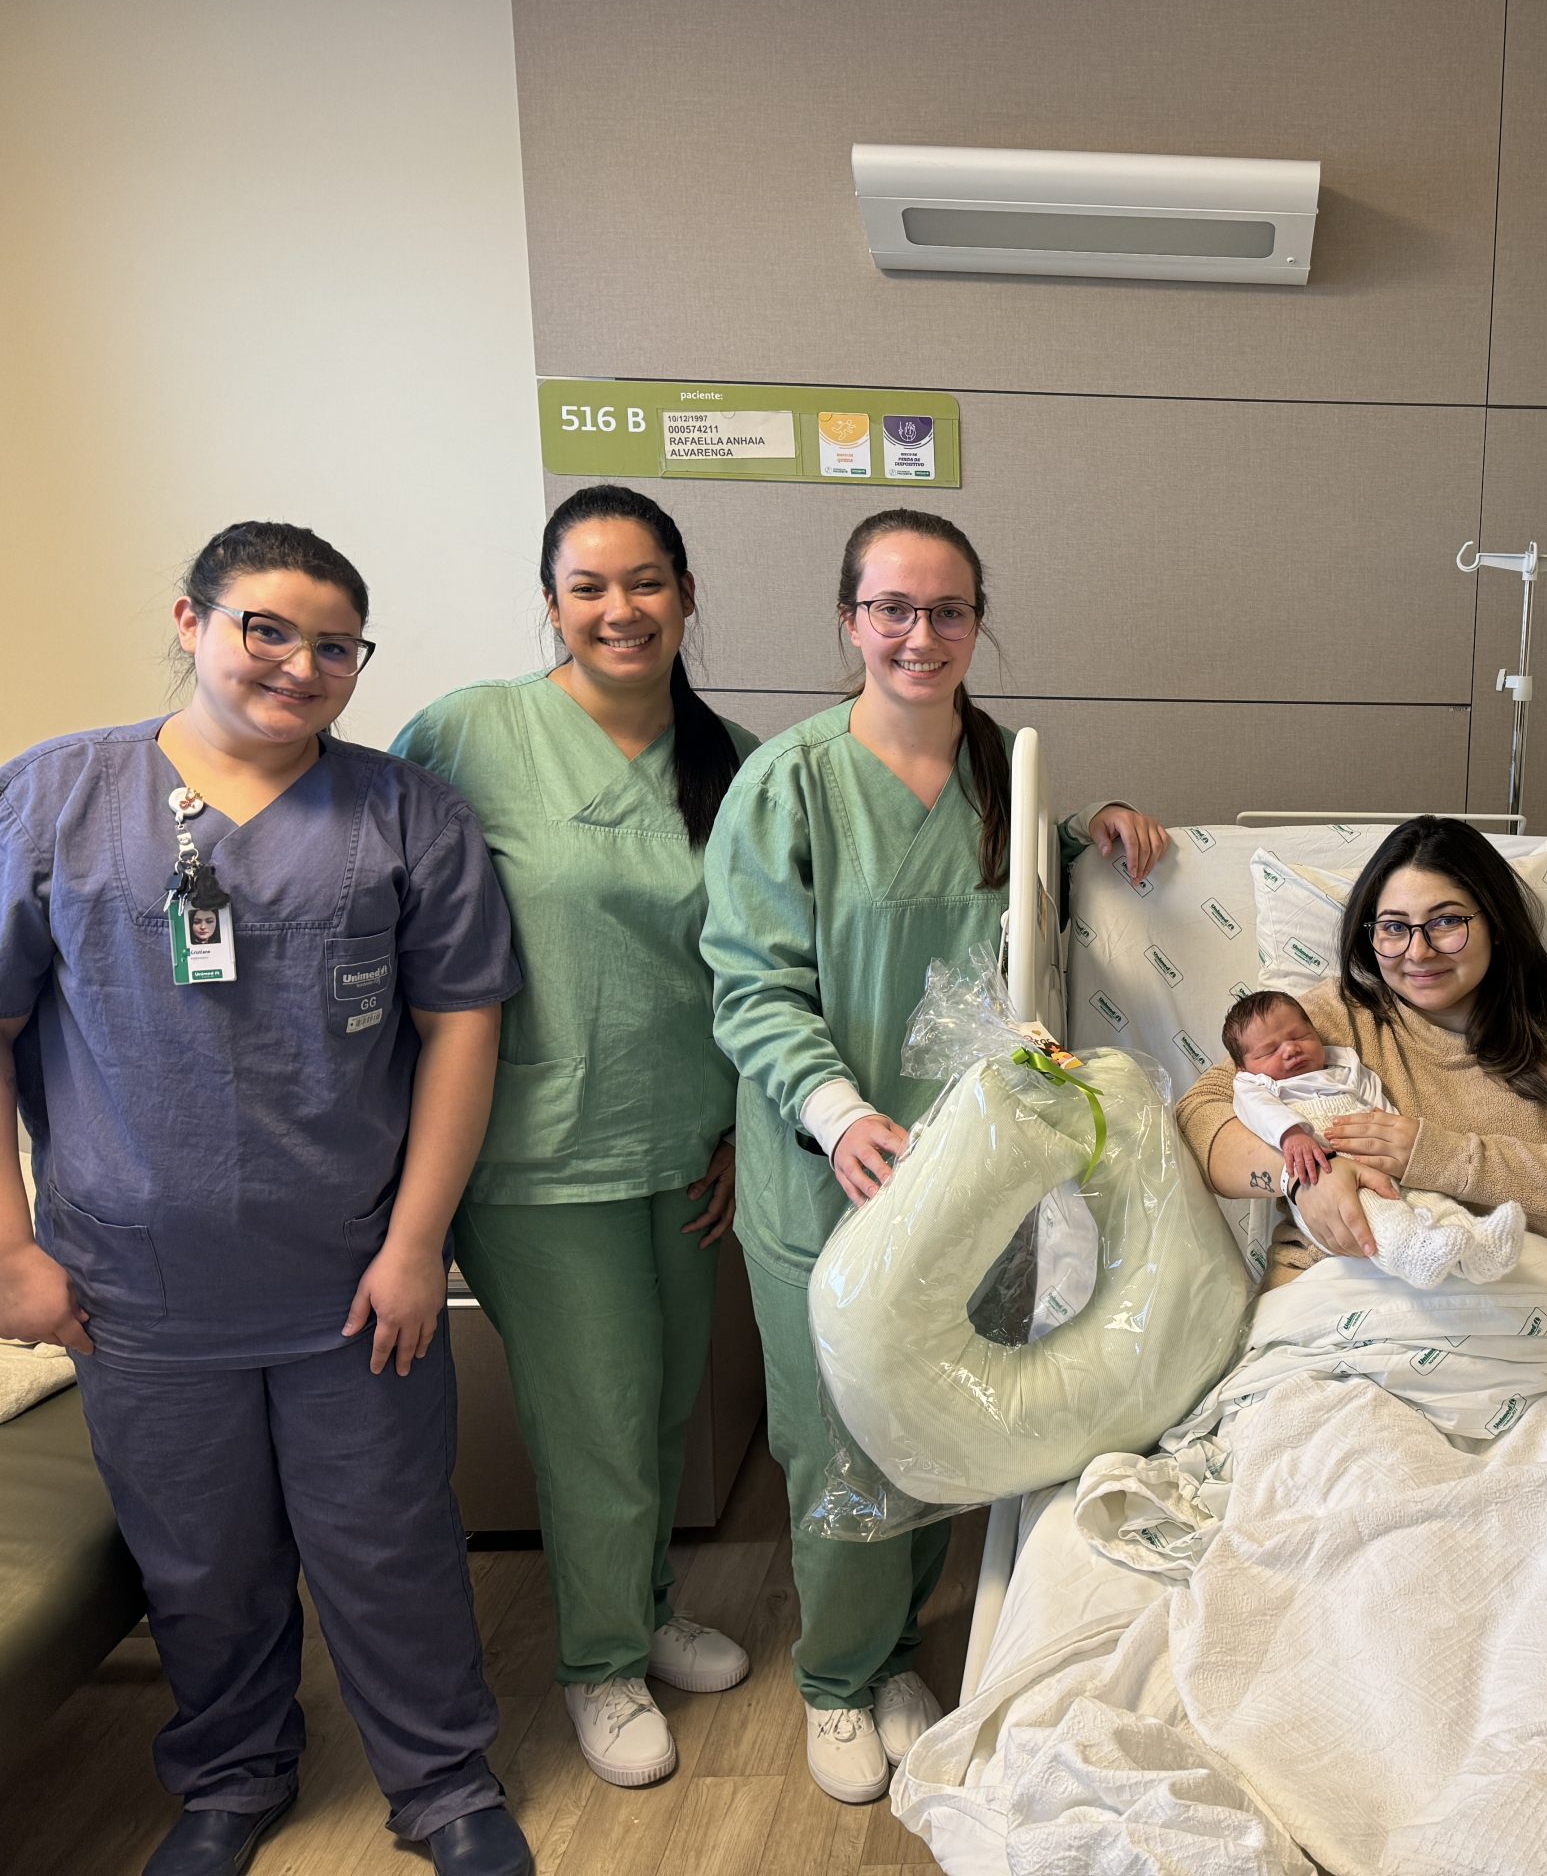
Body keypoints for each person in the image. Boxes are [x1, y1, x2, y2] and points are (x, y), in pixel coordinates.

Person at [0, 523, 532, 1876]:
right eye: (268, 631)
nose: (303, 666)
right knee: (201, 1558)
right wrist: (11, 1245)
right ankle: (232, 1778)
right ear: (192, 620)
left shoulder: (407, 814)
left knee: (390, 1540)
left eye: (337, 645)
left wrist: (419, 1250)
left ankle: (442, 1782)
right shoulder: (55, 801)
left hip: (350, 1278)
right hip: (134, 1288)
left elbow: (463, 1029)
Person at [701, 508, 1167, 1805]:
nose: (918, 634)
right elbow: (749, 983)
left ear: (977, 622)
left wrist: (1102, 832)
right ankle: (839, 1682)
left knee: (947, 1414)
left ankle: (901, 1652)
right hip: (832, 1175)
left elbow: (1032, 911)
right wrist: (839, 1112)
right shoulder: (789, 783)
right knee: (842, 1440)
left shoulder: (1003, 779)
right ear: (849, 620)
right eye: (891, 609)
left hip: (983, 1181)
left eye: (946, 610)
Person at [392, 485, 758, 1789]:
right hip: (536, 1147)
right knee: (594, 1419)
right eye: (591, 585)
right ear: (551, 602)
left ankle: (646, 1609)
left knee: (662, 1412)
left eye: (647, 581)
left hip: (686, 1138)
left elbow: (760, 963)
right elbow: (370, 893)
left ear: (687, 596)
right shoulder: (469, 733)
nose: (621, 608)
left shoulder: (733, 760)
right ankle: (599, 1664)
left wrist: (738, 1133)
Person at [1177, 817, 1547, 1292]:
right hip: (1334, 1312)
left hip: (1527, 1310)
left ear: (1496, 923)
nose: (1418, 952)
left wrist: (1437, 1156)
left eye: (1446, 921)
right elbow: (1199, 1115)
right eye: (1393, 927)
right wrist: (1303, 1177)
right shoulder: (1331, 1018)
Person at [1219, 987, 1526, 1288]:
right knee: (1375, 1212)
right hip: (1327, 1175)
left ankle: (1479, 1247)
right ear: (1244, 1067)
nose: (1291, 1049)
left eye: (1300, 1036)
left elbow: (1374, 1098)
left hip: (1380, 1159)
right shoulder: (1255, 1086)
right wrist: (1291, 1135)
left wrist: (1389, 1127)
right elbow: (1258, 1110)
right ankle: (1409, 1254)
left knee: (1429, 1199)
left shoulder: (1342, 1064)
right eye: (1270, 1051)